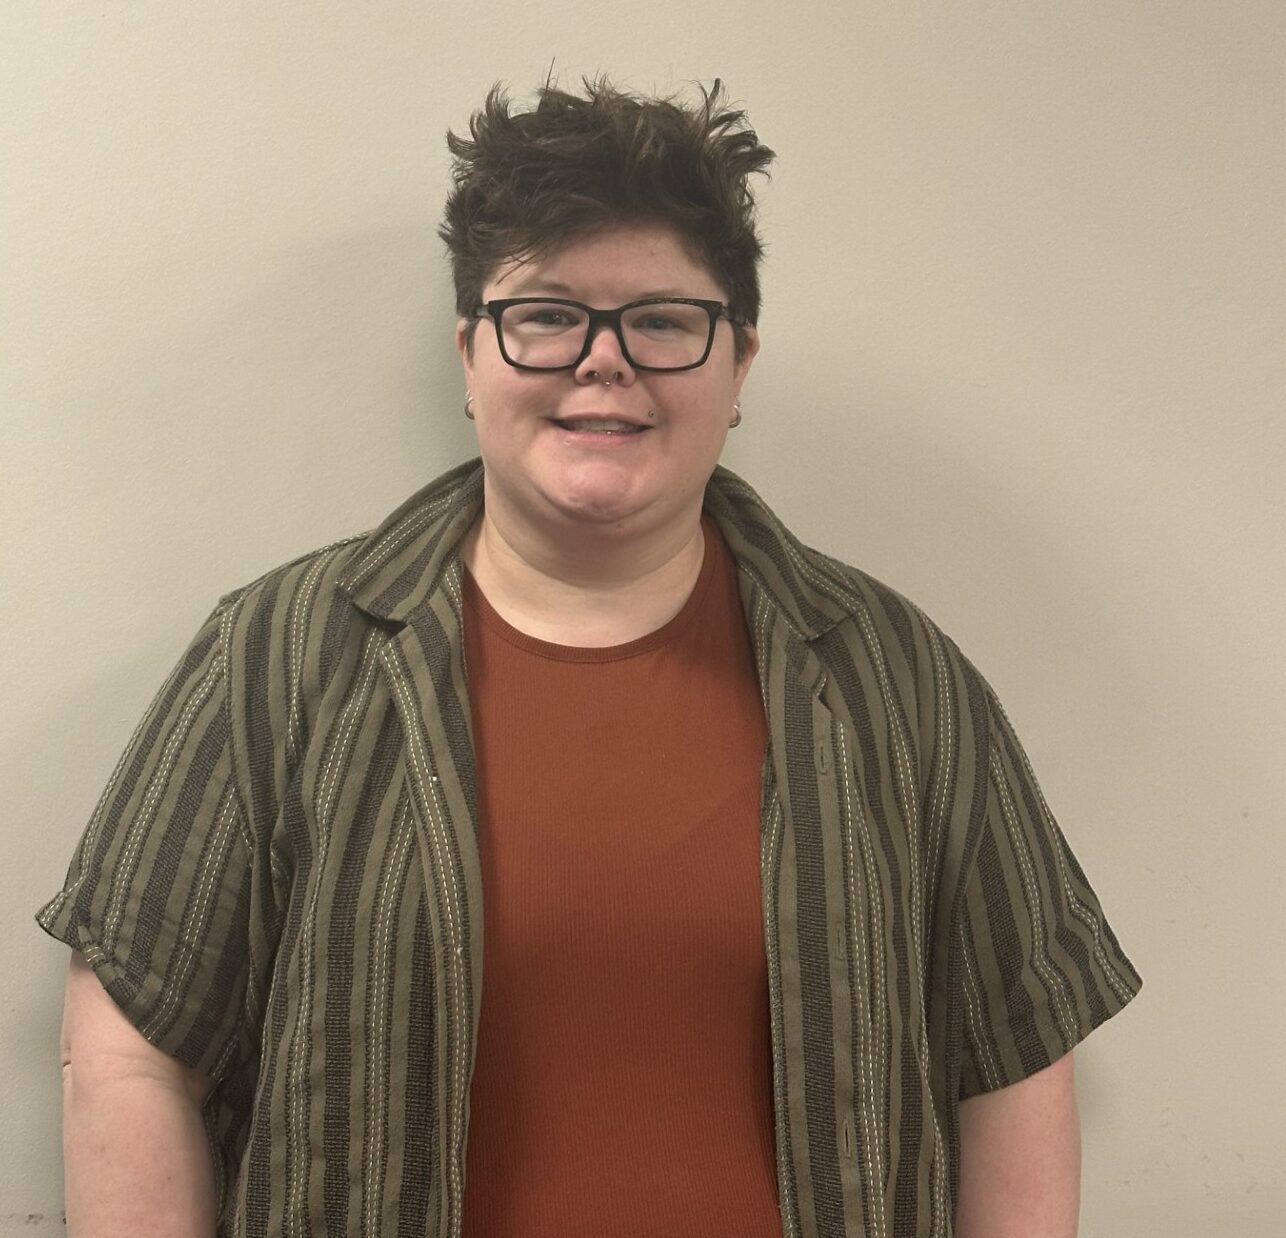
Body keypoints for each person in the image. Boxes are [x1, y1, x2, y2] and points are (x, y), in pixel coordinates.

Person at [42, 78, 1141, 1238]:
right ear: (471, 357)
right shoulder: (276, 657)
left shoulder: (897, 678)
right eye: (547, 313)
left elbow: (1013, 1056)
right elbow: (129, 1055)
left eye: (663, 319)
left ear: (738, 365)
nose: (602, 360)